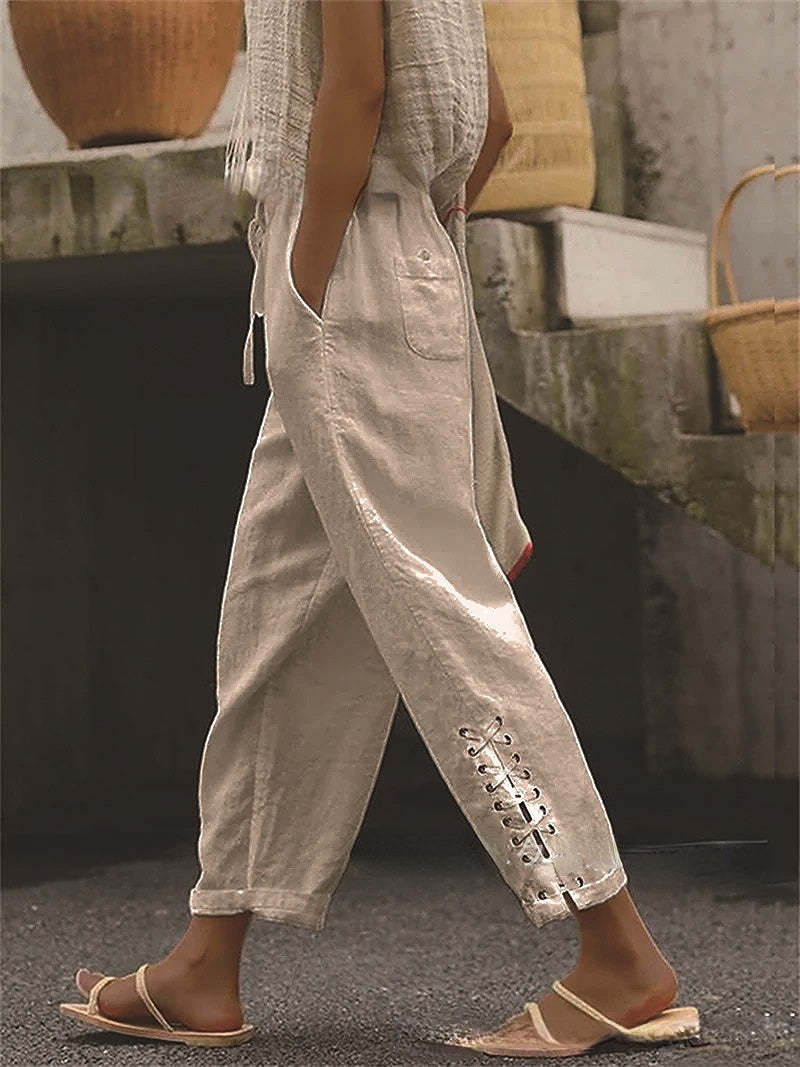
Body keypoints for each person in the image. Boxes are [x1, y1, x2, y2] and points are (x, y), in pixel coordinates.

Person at [60, 1, 700, 1056]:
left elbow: (355, 87)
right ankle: (206, 960)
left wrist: (307, 280)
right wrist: (408, 244)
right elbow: (491, 118)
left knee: (447, 624)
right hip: (390, 260)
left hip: (341, 281)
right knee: (274, 618)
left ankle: (616, 946)